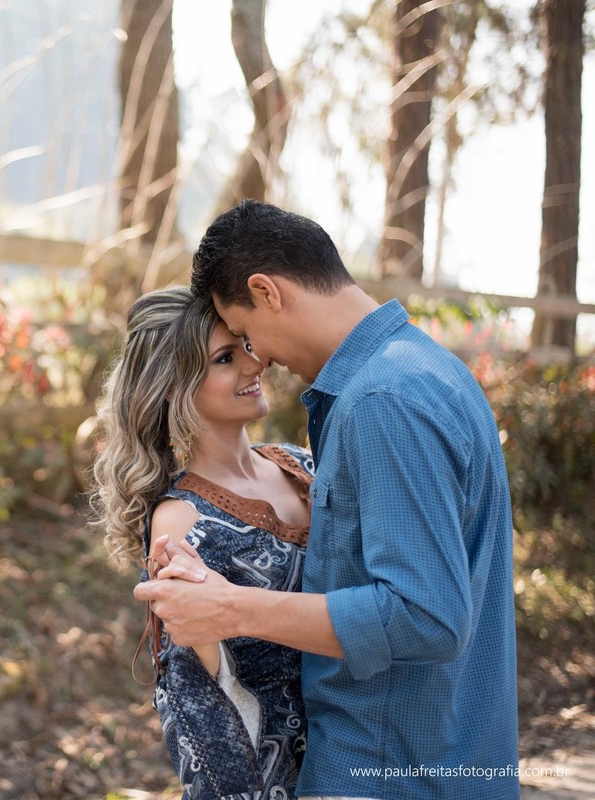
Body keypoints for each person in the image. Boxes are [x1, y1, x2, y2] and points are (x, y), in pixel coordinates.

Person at [136, 199, 519, 800]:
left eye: (244, 332)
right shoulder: (429, 371)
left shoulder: (381, 402)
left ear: (268, 292)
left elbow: (426, 617)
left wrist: (232, 608)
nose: (257, 356)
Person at [90, 285, 315, 799]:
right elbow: (198, 703)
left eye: (246, 347)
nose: (253, 366)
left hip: (370, 746)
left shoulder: (299, 464)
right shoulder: (183, 522)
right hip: (285, 779)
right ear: (175, 387)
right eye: (224, 358)